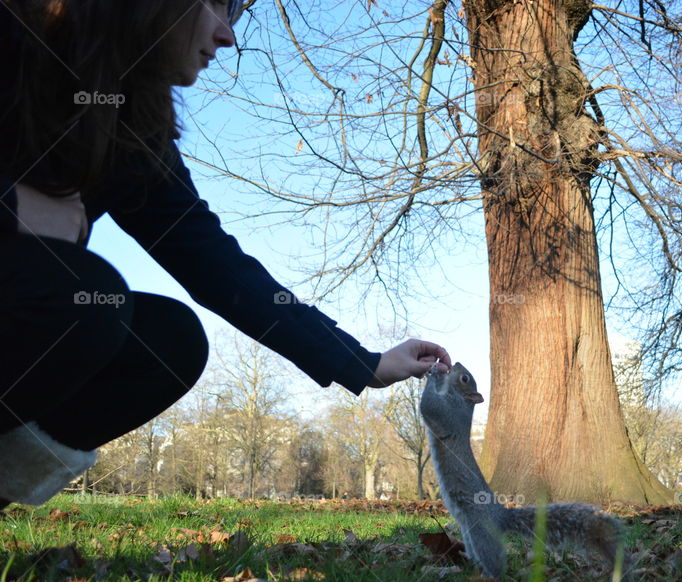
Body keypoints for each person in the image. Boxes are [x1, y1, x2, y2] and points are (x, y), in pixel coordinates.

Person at [0, 0, 451, 509]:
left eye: (235, 16)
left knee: (169, 341)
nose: (227, 35)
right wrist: (15, 205)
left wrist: (362, 362)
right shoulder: (16, 31)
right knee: (82, 296)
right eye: (216, 6)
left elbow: (213, 262)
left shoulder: (130, 124)